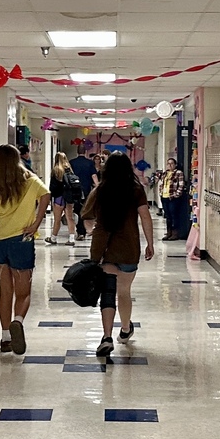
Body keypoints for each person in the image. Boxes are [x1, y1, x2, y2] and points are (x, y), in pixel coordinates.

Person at [0, 145, 51, 355]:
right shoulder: (30, 180)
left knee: (5, 290)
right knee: (23, 292)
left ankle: (6, 337)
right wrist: (36, 223)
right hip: (21, 240)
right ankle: (18, 321)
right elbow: (46, 194)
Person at [81, 153, 155, 357]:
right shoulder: (136, 190)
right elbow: (145, 217)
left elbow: (86, 217)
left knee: (108, 292)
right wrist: (150, 243)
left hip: (105, 250)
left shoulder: (100, 190)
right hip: (129, 248)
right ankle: (124, 329)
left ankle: (106, 337)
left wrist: (93, 231)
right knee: (124, 292)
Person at [46, 152, 80, 246]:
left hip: (59, 198)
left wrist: (51, 197)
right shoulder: (69, 170)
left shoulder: (56, 170)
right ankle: (72, 238)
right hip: (69, 197)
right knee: (70, 217)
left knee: (57, 219)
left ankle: (53, 237)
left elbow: (53, 187)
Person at [69, 143, 96, 241]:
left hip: (74, 191)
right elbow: (94, 176)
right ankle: (83, 231)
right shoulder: (90, 163)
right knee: (84, 210)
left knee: (76, 211)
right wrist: (98, 187)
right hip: (86, 191)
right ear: (85, 152)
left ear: (77, 152)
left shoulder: (71, 162)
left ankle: (79, 231)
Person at [159, 158, 186, 240]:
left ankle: (175, 233)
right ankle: (168, 232)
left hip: (173, 197)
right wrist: (161, 192)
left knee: (174, 215)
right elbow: (161, 184)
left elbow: (181, 185)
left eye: (171, 163)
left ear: (175, 165)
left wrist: (176, 194)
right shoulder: (165, 174)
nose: (170, 165)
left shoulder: (178, 173)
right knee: (168, 216)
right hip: (164, 197)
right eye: (168, 164)